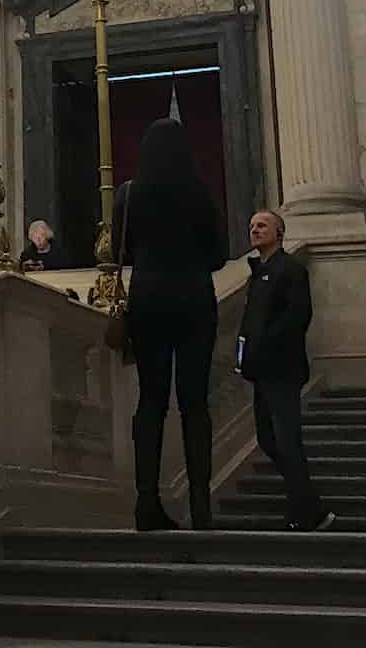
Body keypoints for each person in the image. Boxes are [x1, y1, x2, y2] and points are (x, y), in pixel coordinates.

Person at [111, 117, 226, 531]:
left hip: (148, 300)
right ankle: (201, 505)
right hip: (194, 299)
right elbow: (218, 255)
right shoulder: (200, 193)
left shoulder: (129, 193)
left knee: (151, 402)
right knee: (195, 404)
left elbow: (119, 248)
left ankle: (147, 503)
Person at [238, 209, 334, 532]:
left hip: (282, 369)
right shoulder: (258, 273)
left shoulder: (290, 269)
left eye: (262, 225)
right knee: (268, 438)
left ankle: (305, 509)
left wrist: (264, 348)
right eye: (252, 226)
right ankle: (308, 502)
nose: (255, 230)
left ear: (279, 232)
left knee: (286, 439)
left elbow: (297, 317)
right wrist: (244, 356)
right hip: (260, 371)